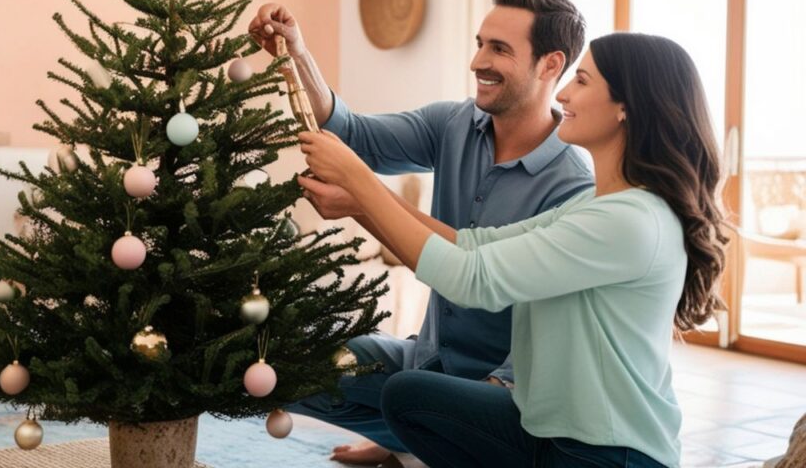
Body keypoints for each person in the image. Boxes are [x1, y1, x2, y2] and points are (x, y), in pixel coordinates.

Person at [298, 32, 728, 467]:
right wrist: (360, 199)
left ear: (625, 108)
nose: (563, 94)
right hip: (543, 429)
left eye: (581, 80)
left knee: (408, 395)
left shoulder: (630, 221)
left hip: (608, 453)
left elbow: (472, 279)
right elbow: (471, 245)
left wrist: (360, 182)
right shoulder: (595, 204)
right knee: (409, 396)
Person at [249, 0, 594, 465]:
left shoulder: (573, 187)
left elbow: (549, 325)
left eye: (499, 49)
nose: (477, 62)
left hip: (500, 393)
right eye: (479, 43)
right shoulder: (454, 124)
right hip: (423, 362)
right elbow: (352, 133)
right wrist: (298, 55)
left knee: (422, 400)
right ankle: (411, 440)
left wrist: (361, 199)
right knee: (287, 358)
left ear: (550, 65)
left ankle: (428, 436)